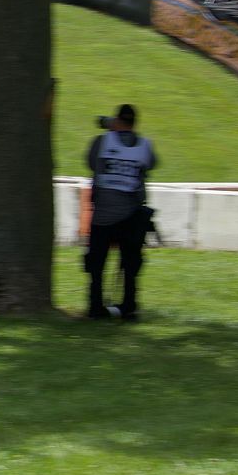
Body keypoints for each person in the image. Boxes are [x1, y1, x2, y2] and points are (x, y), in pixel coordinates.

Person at [84, 103, 158, 322]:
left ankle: (95, 307)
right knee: (130, 264)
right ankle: (129, 308)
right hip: (132, 215)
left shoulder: (102, 142)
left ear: (116, 121)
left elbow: (90, 162)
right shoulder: (144, 145)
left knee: (96, 264)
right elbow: (151, 164)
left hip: (103, 215)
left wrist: (110, 130)